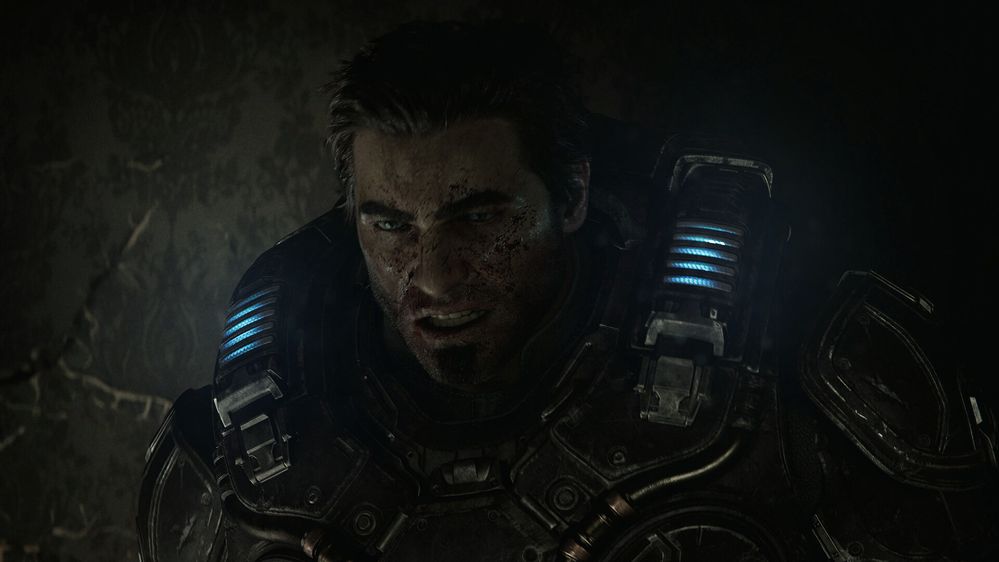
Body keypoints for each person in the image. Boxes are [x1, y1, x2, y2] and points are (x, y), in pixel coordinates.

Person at [136, 20, 998, 561]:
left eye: (480, 217)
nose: (431, 277)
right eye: (390, 225)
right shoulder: (265, 425)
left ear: (574, 195)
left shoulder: (792, 367)